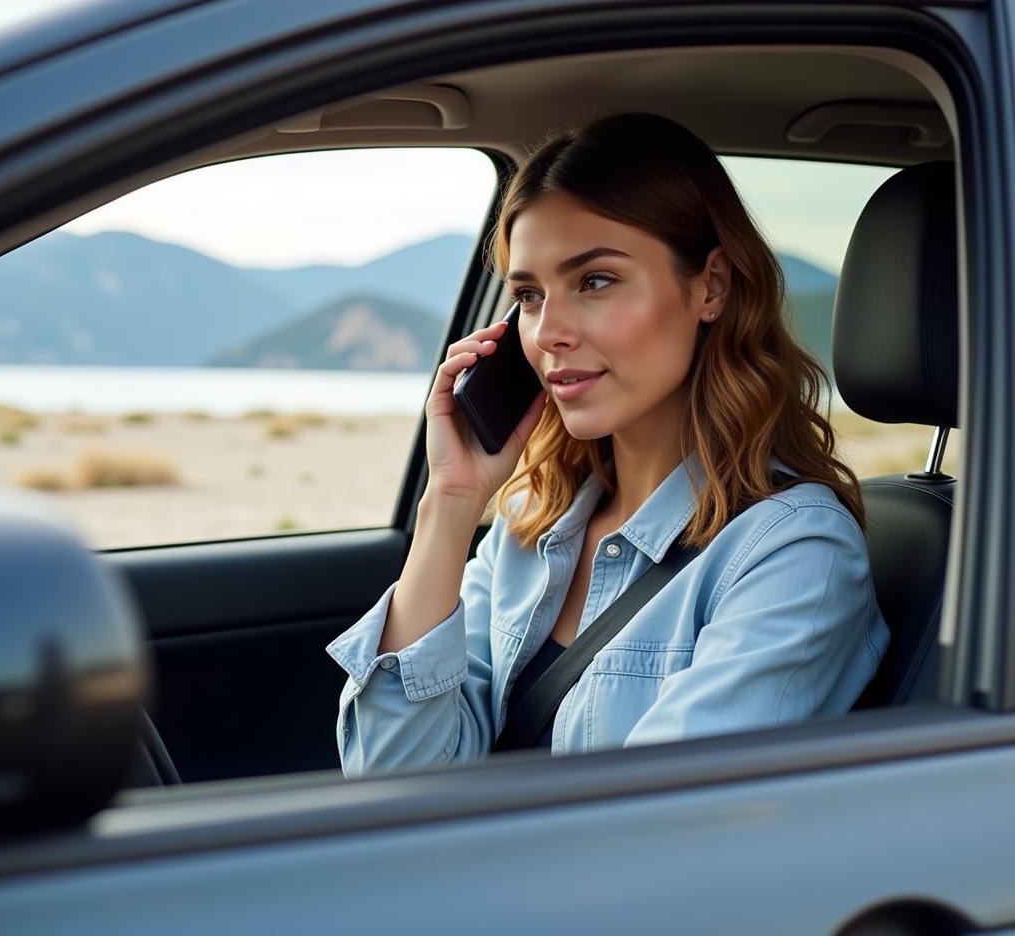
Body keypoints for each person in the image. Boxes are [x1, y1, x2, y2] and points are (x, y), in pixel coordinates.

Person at [327, 112, 890, 777]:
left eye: (595, 281)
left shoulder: (792, 553)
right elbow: (391, 779)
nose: (548, 333)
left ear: (710, 286)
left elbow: (654, 836)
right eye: (530, 295)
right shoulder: (529, 528)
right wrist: (448, 502)